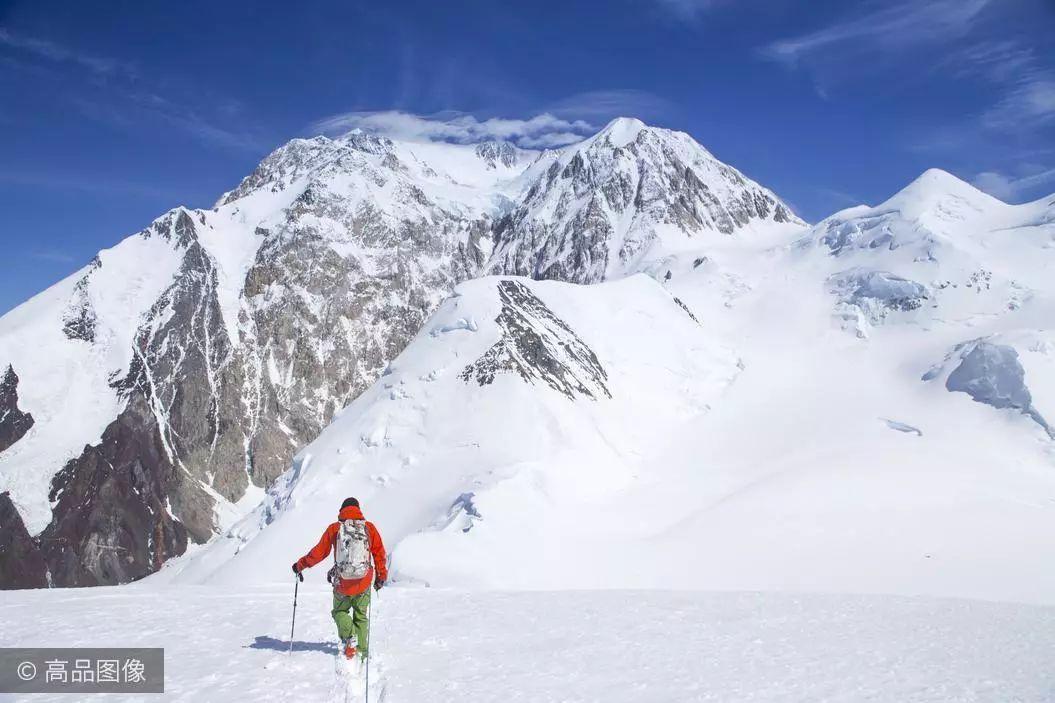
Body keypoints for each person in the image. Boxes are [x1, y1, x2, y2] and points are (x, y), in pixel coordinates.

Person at [292, 497, 388, 660]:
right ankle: (362, 653)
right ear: (358, 510)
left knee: (339, 611)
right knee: (361, 616)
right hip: (363, 582)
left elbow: (319, 552)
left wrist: (300, 565)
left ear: (342, 510)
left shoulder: (335, 528)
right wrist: (381, 576)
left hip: (342, 584)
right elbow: (379, 553)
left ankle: (350, 638)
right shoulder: (369, 528)